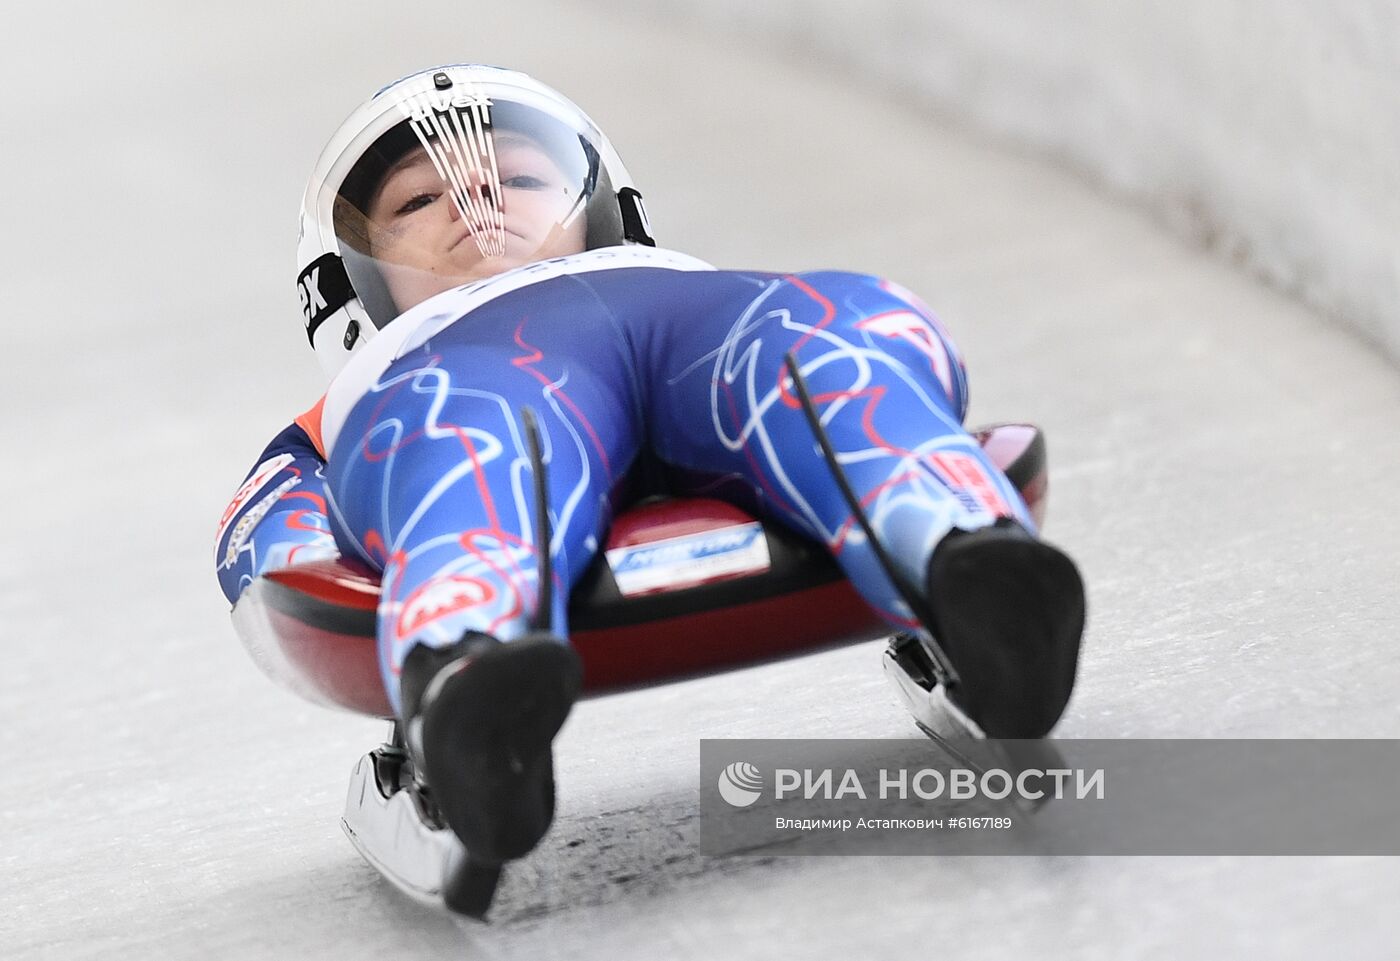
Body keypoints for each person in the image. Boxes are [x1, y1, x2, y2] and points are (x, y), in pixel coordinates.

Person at [215, 63, 1086, 874]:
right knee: (469, 437)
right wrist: (309, 567)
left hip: (692, 321)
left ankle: (971, 564)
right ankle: (471, 682)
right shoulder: (363, 404)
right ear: (344, 287)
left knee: (821, 331)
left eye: (520, 179)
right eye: (418, 201)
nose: (479, 199)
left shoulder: (667, 275)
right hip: (471, 370)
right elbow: (268, 537)